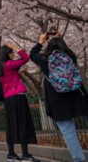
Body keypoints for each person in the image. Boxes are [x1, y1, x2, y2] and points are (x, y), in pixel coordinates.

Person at [30, 33, 88, 162]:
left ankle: (79, 159)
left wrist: (41, 41)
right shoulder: (71, 56)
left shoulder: (44, 58)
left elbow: (32, 54)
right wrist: (59, 38)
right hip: (77, 97)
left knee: (68, 132)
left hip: (58, 101)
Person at [0, 43, 39, 162]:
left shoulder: (0, 66)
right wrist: (15, 47)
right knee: (23, 124)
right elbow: (26, 57)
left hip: (8, 99)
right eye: (12, 53)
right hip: (18, 97)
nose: (14, 54)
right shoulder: (9, 64)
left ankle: (11, 154)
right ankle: (25, 154)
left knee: (11, 125)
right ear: (8, 54)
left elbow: (10, 78)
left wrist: (20, 73)